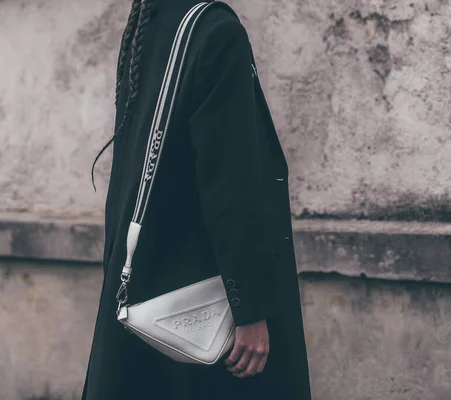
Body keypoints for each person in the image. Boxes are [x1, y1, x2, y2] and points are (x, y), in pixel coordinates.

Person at [82, 1, 311, 399]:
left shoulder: (150, 27)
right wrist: (251, 310)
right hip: (206, 310)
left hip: (148, 293)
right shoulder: (216, 33)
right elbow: (231, 186)